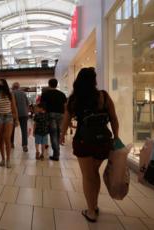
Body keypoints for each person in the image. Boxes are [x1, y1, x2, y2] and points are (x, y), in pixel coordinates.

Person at [60, 67, 119, 223]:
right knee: (94, 173)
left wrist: (62, 135)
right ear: (94, 81)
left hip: (83, 140)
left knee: (88, 176)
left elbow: (66, 120)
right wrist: (116, 137)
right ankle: (95, 204)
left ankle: (91, 211)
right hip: (102, 141)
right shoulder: (103, 96)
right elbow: (113, 118)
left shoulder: (74, 99)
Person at [0, 79, 19, 168]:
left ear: (5, 84)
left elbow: (14, 107)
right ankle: (3, 159)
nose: (0, 85)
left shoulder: (10, 94)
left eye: (2, 83)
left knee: (7, 138)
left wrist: (17, 119)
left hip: (9, 117)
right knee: (1, 139)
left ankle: (8, 160)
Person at [40, 79, 67, 161]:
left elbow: (42, 106)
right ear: (56, 84)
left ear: (49, 84)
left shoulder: (45, 94)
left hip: (50, 115)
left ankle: (56, 154)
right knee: (58, 133)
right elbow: (65, 106)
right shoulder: (62, 94)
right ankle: (57, 153)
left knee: (53, 134)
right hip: (61, 115)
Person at [11, 82, 30, 152]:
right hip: (24, 114)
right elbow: (27, 103)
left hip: (14, 114)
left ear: (13, 87)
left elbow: (12, 104)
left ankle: (11, 143)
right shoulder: (23, 93)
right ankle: (25, 145)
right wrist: (27, 112)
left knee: (12, 129)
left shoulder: (12, 93)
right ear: (18, 87)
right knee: (24, 130)